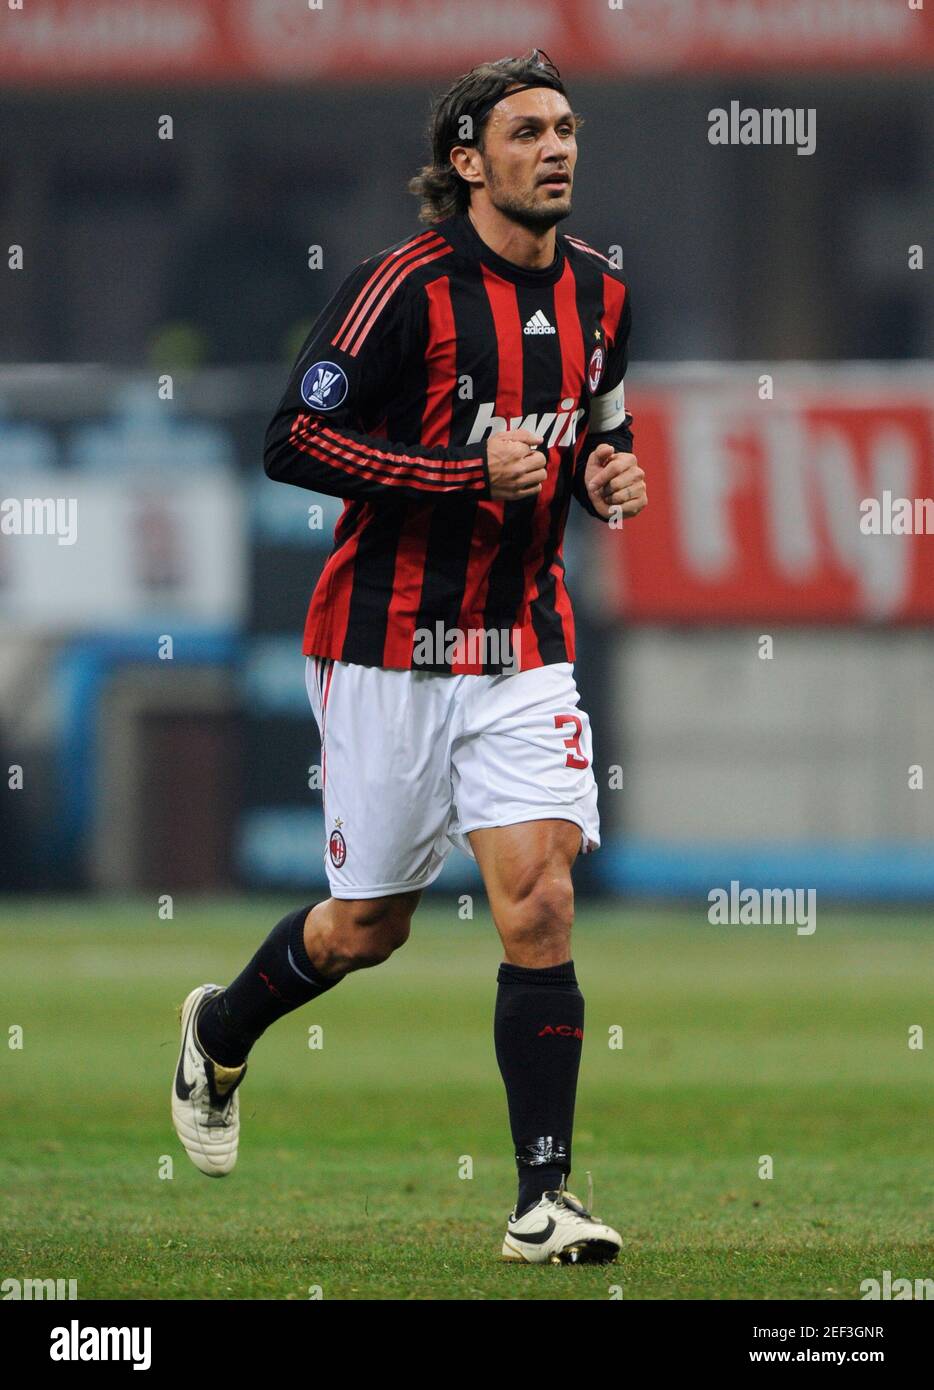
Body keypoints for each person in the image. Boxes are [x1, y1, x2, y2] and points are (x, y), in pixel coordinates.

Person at [172, 49, 647, 1266]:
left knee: (538, 896)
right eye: (529, 130)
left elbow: (601, 426)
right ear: (465, 157)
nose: (557, 148)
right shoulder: (404, 288)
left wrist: (607, 476)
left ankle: (543, 1200)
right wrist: (451, 471)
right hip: (386, 642)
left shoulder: (603, 294)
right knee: (366, 925)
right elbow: (292, 438)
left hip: (523, 638)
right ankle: (223, 1028)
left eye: (567, 128)